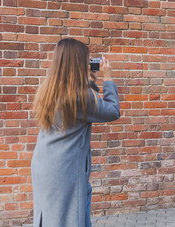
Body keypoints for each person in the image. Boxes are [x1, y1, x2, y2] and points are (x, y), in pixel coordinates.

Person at [31, 38, 120, 226]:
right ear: (78, 63)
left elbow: (85, 103)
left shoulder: (48, 90)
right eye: (86, 60)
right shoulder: (80, 97)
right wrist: (108, 78)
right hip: (66, 170)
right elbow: (112, 111)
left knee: (50, 218)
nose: (89, 64)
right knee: (72, 219)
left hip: (44, 166)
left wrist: (90, 80)